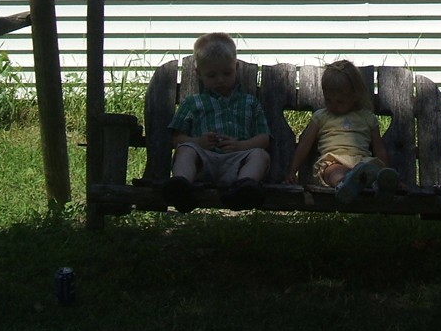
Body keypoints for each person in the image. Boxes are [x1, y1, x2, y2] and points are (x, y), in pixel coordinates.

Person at [164, 32, 271, 211]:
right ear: (199, 74)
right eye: (212, 76)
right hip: (202, 162)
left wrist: (241, 146)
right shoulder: (192, 103)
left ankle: (244, 189)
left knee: (260, 155)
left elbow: (264, 138)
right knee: (186, 150)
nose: (220, 80)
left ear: (236, 67)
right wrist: (197, 142)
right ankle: (182, 186)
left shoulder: (250, 102)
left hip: (238, 162)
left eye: (227, 73)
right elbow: (177, 139)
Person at [285, 59, 399, 203]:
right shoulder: (320, 117)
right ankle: (345, 184)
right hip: (334, 160)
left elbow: (379, 149)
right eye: (328, 100)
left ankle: (383, 185)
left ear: (355, 96)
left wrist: (386, 169)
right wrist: (292, 171)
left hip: (362, 162)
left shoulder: (367, 118)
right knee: (334, 172)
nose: (333, 106)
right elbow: (304, 145)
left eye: (340, 101)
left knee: (372, 170)